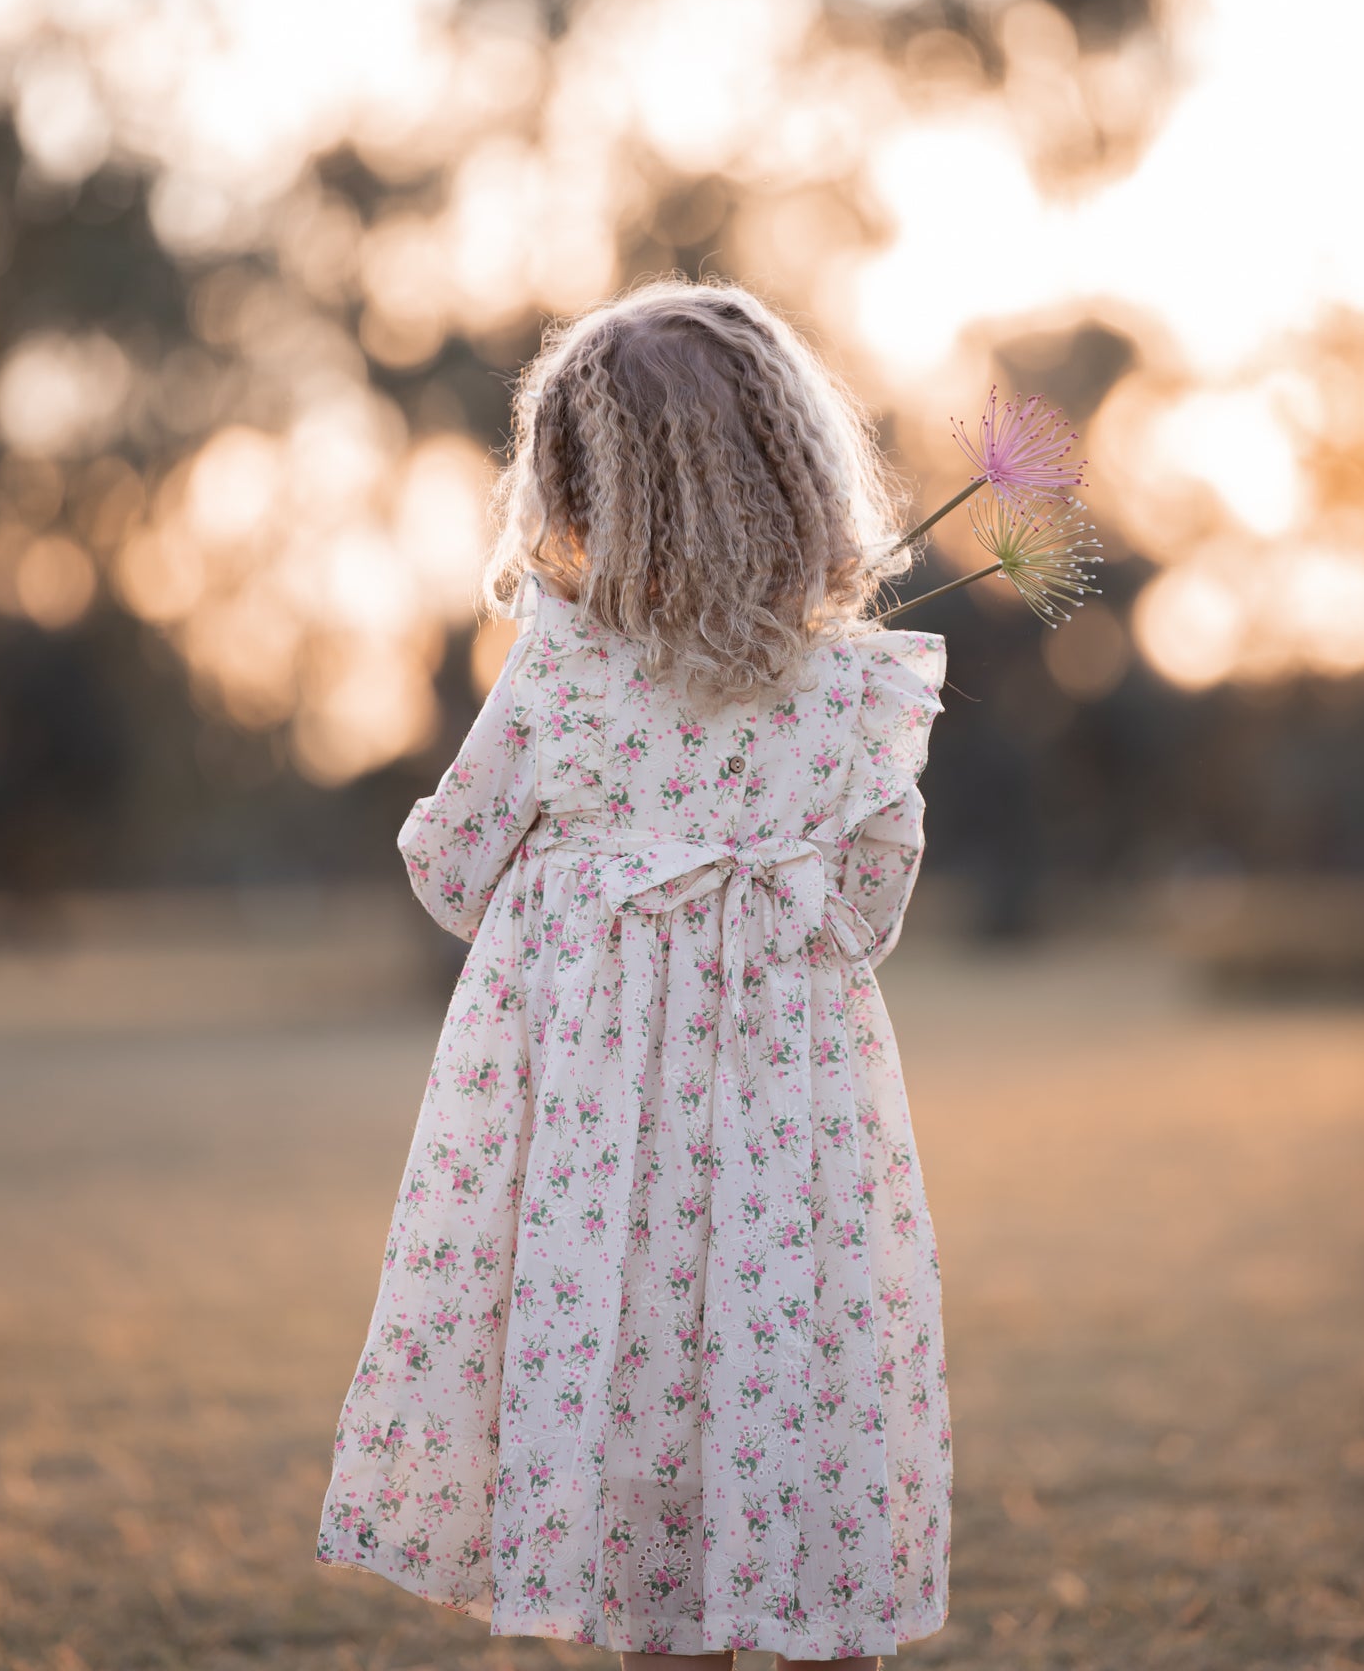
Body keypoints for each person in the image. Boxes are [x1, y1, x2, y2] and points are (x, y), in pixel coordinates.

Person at [316, 277, 952, 1670]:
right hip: (789, 1146)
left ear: (576, 493)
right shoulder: (863, 694)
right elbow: (867, 910)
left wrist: (589, 880)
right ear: (791, 476)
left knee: (639, 1416)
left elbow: (452, 869)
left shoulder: (562, 677)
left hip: (601, 1160)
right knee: (788, 1395)